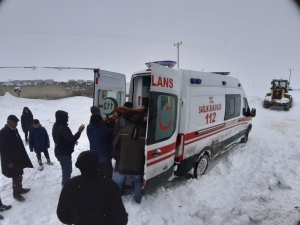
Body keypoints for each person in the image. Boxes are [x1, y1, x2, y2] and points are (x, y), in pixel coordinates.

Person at [57, 150, 128, 225]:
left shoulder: (70, 185)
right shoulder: (110, 186)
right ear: (97, 164)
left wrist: (78, 218)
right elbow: (121, 219)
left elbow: (62, 215)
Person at [113, 114, 146, 203]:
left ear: (131, 120)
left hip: (122, 164)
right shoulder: (145, 134)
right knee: (137, 182)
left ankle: (114, 200)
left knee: (117, 183)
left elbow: (115, 144)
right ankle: (138, 200)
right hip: (136, 164)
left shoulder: (123, 131)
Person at [0, 115, 33, 202]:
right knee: (16, 175)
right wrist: (8, 162)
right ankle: (16, 193)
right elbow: (2, 149)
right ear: (9, 122)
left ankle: (20, 188)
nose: (16, 124)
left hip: (17, 157)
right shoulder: (3, 132)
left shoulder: (14, 130)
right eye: (15, 123)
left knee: (19, 173)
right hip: (11, 159)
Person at [52, 110, 85, 186]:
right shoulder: (63, 128)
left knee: (65, 169)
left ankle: (65, 182)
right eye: (66, 116)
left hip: (59, 151)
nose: (68, 118)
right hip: (64, 153)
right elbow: (72, 138)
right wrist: (79, 131)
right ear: (62, 118)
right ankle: (66, 186)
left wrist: (71, 141)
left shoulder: (56, 125)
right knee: (67, 170)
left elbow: (63, 138)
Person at [87, 114, 114, 179]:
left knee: (98, 174)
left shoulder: (89, 128)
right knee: (107, 174)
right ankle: (106, 186)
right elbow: (112, 131)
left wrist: (104, 123)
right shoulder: (103, 130)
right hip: (104, 155)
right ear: (99, 122)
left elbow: (98, 126)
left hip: (94, 154)